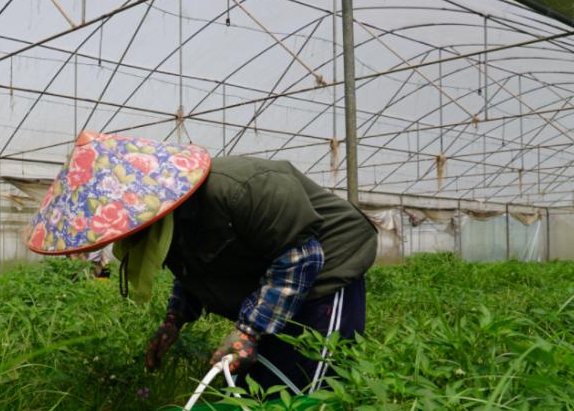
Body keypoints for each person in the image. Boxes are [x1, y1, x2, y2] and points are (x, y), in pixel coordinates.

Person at [26, 132, 377, 397]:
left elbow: (302, 257)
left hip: (325, 270)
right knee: (250, 388)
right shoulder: (167, 221)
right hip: (271, 280)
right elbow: (192, 270)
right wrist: (173, 321)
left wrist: (248, 331)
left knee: (312, 383)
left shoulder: (241, 189)